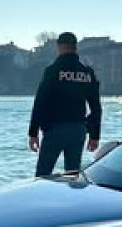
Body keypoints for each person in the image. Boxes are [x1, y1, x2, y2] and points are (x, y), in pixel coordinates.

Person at [28, 31, 102, 177]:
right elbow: (96, 106)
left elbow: (40, 102)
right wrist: (95, 135)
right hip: (78, 129)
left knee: (43, 176)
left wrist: (33, 132)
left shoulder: (53, 70)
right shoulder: (87, 73)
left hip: (54, 128)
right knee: (72, 176)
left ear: (59, 47)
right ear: (76, 47)